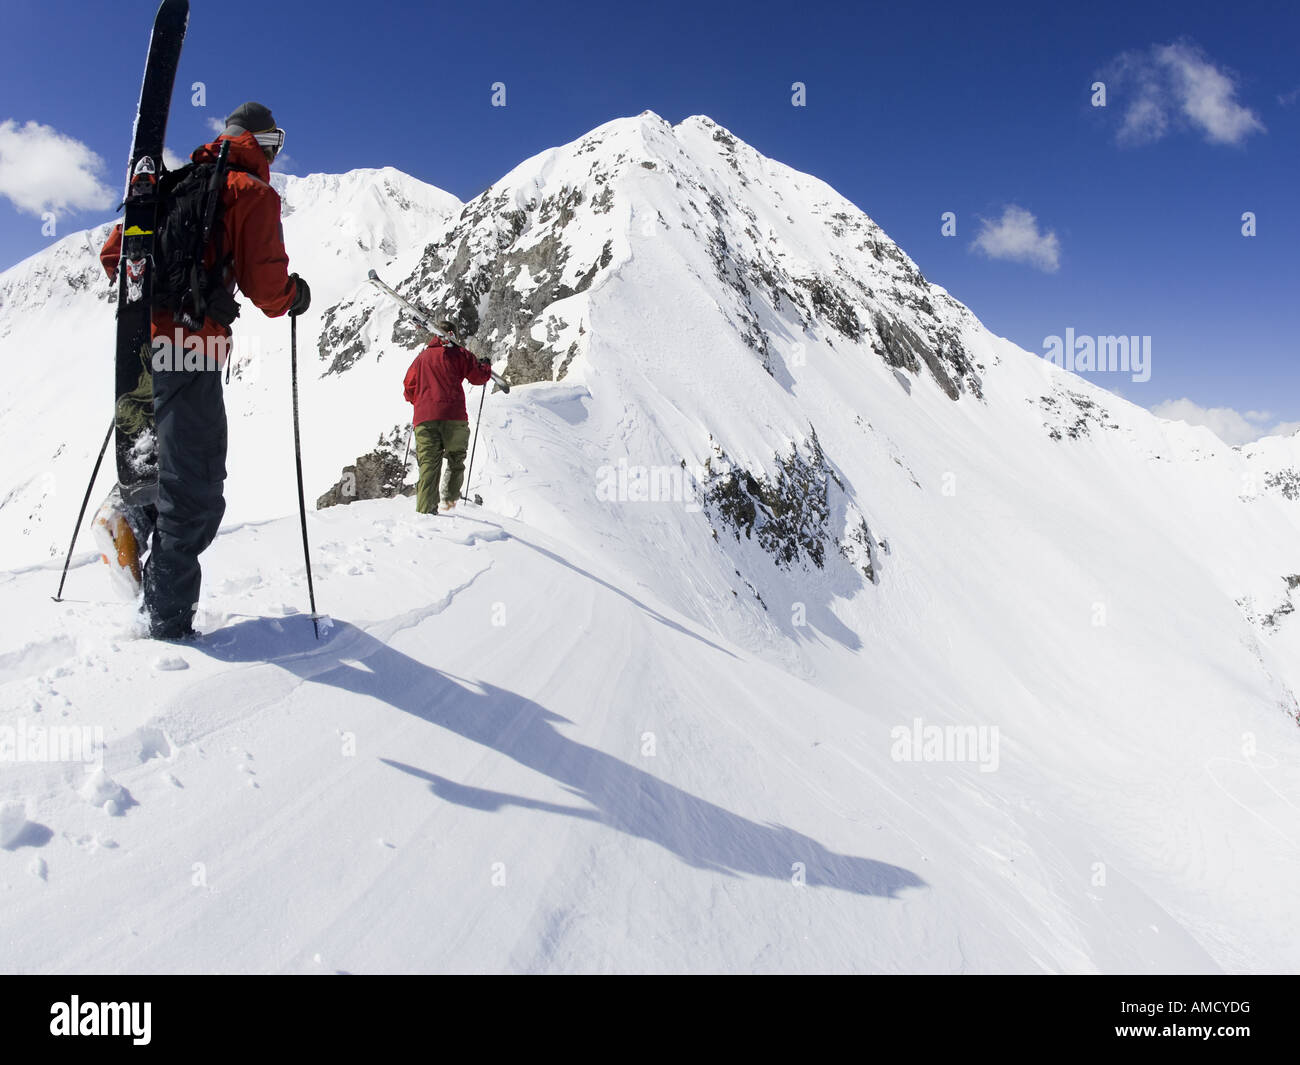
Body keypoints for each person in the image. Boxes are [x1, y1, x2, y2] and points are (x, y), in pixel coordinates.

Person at [98, 101, 311, 639]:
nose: (276, 155)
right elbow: (268, 290)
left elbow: (112, 256)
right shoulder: (252, 193)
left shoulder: (170, 184)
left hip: (142, 347)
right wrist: (295, 295)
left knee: (166, 466)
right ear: (260, 142)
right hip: (192, 350)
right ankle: (165, 622)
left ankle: (134, 518)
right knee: (197, 491)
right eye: (275, 143)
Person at [403, 333, 492, 513]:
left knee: (428, 463)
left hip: (425, 418)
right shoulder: (461, 354)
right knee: (456, 458)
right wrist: (485, 366)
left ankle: (426, 510)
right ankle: (449, 503)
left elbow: (408, 389)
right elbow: (478, 377)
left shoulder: (421, 358)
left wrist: (422, 403)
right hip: (454, 416)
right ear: (454, 335)